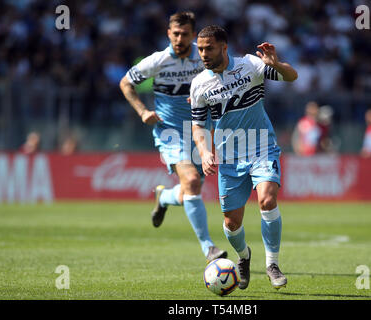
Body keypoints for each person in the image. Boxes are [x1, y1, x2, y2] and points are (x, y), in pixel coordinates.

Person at [190, 25, 298, 290]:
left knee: (267, 199)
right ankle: (243, 256)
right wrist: (204, 152)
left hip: (263, 148)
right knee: (231, 223)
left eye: (209, 48)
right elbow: (197, 126)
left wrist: (277, 64)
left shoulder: (250, 65)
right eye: (201, 49)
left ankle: (272, 264)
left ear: (224, 47)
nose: (204, 54)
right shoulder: (199, 85)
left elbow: (291, 77)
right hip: (228, 159)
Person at [119, 12, 227, 263]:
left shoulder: (203, 60)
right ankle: (208, 248)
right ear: (168, 33)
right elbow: (126, 83)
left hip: (201, 130)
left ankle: (164, 197)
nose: (179, 38)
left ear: (193, 35)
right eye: (175, 33)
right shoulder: (157, 61)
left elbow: (223, 83)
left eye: (185, 34)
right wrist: (143, 111)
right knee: (191, 180)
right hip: (171, 131)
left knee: (191, 187)